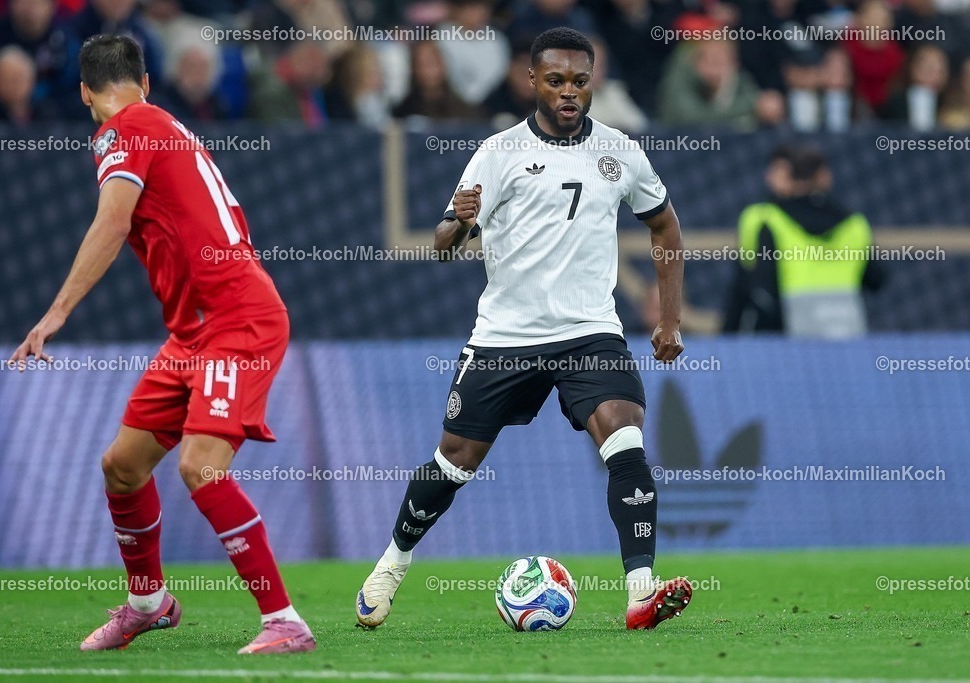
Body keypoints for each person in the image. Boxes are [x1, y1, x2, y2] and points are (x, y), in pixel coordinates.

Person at [356, 27, 692, 632]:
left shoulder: (621, 151)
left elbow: (665, 227)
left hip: (590, 331)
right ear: (532, 81)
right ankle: (392, 562)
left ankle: (641, 590)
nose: (569, 93)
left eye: (580, 82)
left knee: (625, 437)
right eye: (557, 81)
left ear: (594, 84)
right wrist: (459, 224)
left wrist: (669, 319)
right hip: (506, 336)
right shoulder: (498, 153)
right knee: (454, 460)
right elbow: (441, 247)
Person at [9, 34, 314, 655]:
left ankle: (285, 621)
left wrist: (56, 311)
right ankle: (148, 603)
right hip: (194, 331)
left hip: (237, 318)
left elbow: (113, 220)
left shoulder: (126, 130)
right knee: (121, 467)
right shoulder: (157, 120)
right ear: (145, 81)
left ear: (85, 93)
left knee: (201, 466)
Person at [722, 145, 886, 337]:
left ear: (792, 177)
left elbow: (755, 285)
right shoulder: (855, 224)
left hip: (789, 333)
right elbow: (877, 280)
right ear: (825, 177)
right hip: (846, 329)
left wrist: (728, 333)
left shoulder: (768, 219)